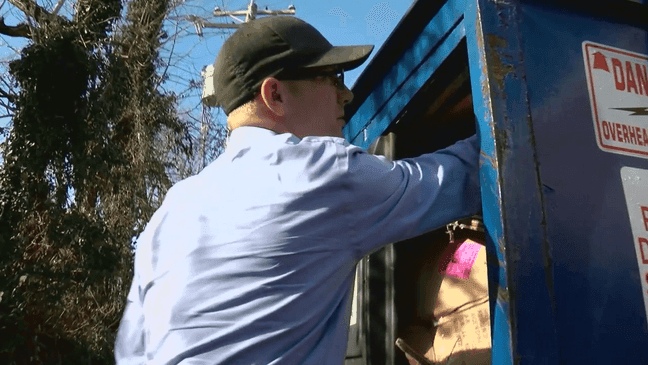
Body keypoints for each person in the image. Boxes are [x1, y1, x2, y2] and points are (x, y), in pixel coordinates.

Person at [115, 16, 481, 365]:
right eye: (332, 77)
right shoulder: (320, 172)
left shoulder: (168, 213)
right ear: (275, 94)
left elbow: (131, 352)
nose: (346, 94)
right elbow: (466, 175)